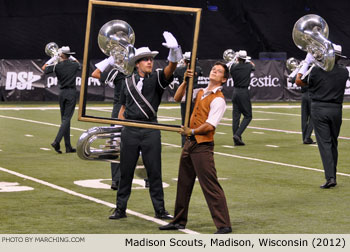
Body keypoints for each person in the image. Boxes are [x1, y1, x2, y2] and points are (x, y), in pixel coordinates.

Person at [109, 31, 183, 220]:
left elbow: (170, 69)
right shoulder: (127, 81)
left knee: (154, 171)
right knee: (125, 171)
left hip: (151, 129)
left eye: (151, 59)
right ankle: (120, 209)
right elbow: (123, 108)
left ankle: (160, 209)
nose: (150, 62)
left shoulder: (157, 78)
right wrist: (119, 131)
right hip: (130, 131)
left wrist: (174, 52)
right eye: (146, 60)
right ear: (137, 63)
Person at [159, 61, 232, 234]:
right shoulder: (199, 92)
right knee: (183, 184)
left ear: (224, 79)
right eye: (214, 69)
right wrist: (185, 81)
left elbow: (210, 125)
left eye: (219, 71)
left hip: (202, 146)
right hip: (190, 144)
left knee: (210, 185)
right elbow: (177, 98)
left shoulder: (219, 100)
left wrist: (191, 131)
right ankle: (179, 221)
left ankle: (224, 224)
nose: (214, 71)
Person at [295, 45, 349, 189]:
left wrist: (307, 63)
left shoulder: (317, 70)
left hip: (319, 108)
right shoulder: (344, 71)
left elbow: (298, 81)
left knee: (324, 143)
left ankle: (330, 177)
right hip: (336, 109)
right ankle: (333, 174)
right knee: (333, 142)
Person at [92, 57, 125, 190]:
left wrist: (108, 61)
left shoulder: (119, 72)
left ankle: (116, 180)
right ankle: (146, 179)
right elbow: (95, 74)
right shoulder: (120, 73)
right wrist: (110, 60)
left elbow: (96, 73)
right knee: (117, 144)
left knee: (117, 144)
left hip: (125, 109)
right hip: (126, 110)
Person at [42, 46, 81, 154]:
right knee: (66, 119)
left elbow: (44, 68)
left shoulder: (57, 66)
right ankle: (57, 141)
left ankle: (68, 147)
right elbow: (80, 65)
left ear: (61, 55)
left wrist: (54, 58)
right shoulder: (74, 64)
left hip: (62, 93)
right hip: (71, 93)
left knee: (64, 119)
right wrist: (70, 56)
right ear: (69, 55)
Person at [174, 52, 203, 147]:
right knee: (195, 119)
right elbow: (199, 71)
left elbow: (175, 73)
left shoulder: (179, 69)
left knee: (184, 120)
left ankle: (184, 143)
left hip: (184, 94)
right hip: (194, 95)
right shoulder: (197, 69)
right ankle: (194, 140)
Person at [229, 50, 255, 146]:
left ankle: (236, 139)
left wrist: (235, 59)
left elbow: (230, 68)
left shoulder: (233, 67)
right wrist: (247, 60)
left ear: (238, 58)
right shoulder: (248, 66)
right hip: (243, 92)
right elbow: (253, 66)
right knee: (248, 116)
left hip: (235, 91)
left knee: (236, 116)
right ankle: (237, 135)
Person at [289, 74, 315, 144]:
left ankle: (304, 138)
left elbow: (291, 80)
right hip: (312, 95)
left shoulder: (302, 70)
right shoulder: (314, 69)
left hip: (304, 95)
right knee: (313, 117)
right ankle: (307, 137)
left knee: (304, 118)